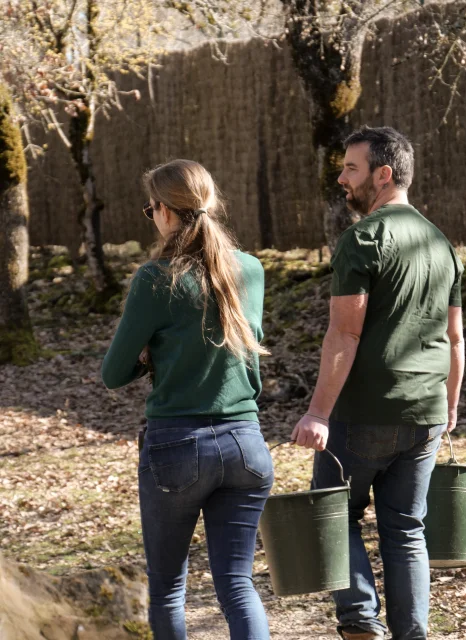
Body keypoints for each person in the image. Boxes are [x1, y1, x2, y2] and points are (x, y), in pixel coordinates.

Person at [291, 126, 465, 640]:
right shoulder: (441, 242)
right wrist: (449, 406)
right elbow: (455, 338)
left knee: (335, 514)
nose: (341, 178)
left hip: (363, 412)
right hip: (426, 412)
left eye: (351, 168)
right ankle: (412, 634)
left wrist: (318, 412)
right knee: (406, 530)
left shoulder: (362, 239)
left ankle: (360, 621)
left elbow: (344, 331)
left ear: (383, 174)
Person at [101, 159, 273, 640]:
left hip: (177, 445)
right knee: (238, 584)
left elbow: (113, 374)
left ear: (165, 212)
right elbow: (246, 349)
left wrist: (146, 357)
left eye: (150, 208)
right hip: (246, 443)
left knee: (168, 587)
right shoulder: (251, 271)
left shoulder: (156, 279)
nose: (151, 216)